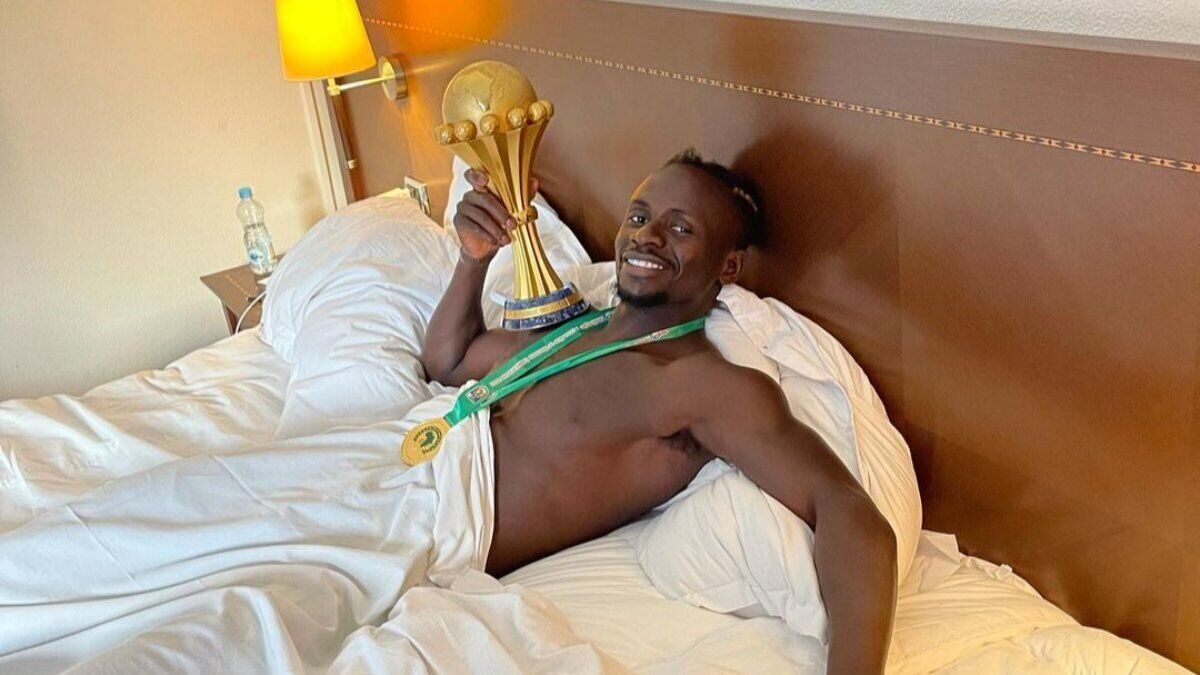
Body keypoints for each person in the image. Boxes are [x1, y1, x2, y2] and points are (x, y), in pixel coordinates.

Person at [421, 148, 898, 674]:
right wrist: (473, 259)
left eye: (680, 228)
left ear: (729, 266)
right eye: (639, 217)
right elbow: (449, 362)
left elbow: (845, 508)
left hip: (432, 525)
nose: (646, 236)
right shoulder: (573, 329)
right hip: (398, 465)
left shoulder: (695, 383)